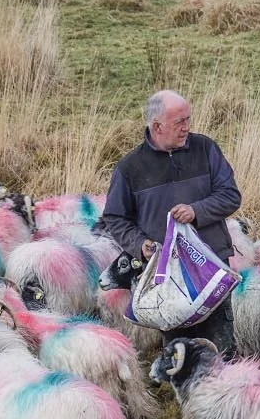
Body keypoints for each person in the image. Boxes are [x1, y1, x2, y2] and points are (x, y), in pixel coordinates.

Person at [97, 89, 242, 353]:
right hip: (168, 280)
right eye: (180, 122)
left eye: (188, 119)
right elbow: (115, 217)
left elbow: (230, 195)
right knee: (179, 357)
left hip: (211, 270)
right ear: (157, 126)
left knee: (222, 354)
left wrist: (196, 210)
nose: (187, 127)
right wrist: (141, 245)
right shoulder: (130, 168)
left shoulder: (205, 149)